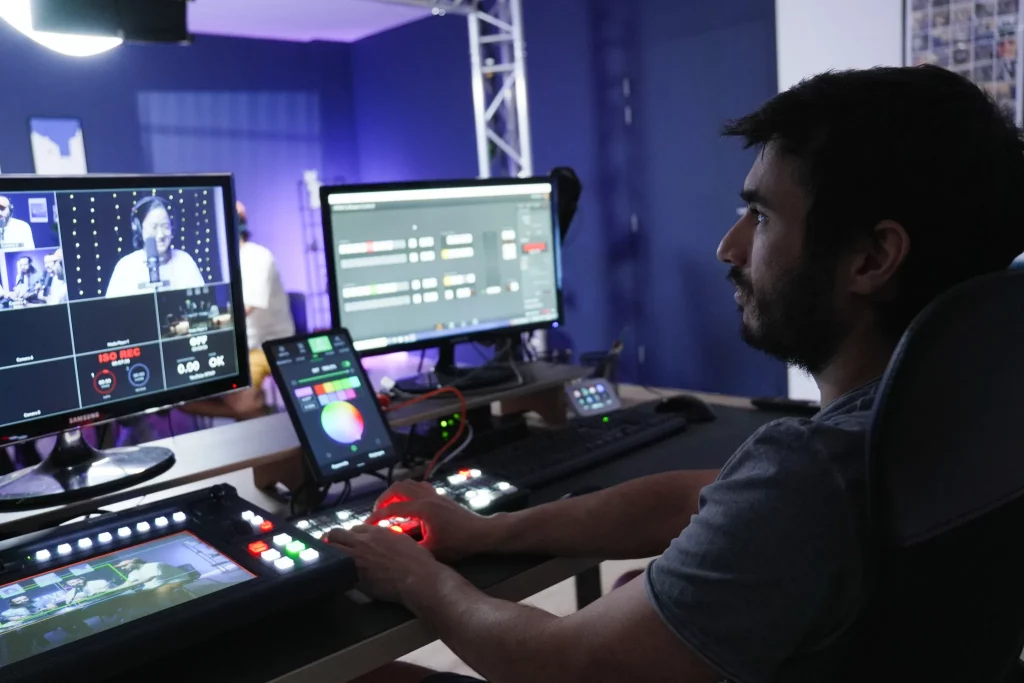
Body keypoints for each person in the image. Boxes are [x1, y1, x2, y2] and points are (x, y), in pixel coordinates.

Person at [326, 66, 1024, 683]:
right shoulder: (965, 417)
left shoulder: (817, 472)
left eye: (760, 216)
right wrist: (487, 532)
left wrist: (416, 578)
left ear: (872, 259)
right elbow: (705, 500)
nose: (729, 247)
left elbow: (566, 665)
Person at [181, 201, 294, 420]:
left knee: (242, 405)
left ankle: (263, 415)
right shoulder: (217, 262)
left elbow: (241, 313)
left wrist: (193, 325)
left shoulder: (258, 257)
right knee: (181, 390)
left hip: (265, 347)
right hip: (232, 347)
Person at [105, 196, 204, 298]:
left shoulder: (185, 261)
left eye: (165, 226)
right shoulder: (125, 267)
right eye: (154, 227)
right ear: (139, 228)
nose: (160, 235)